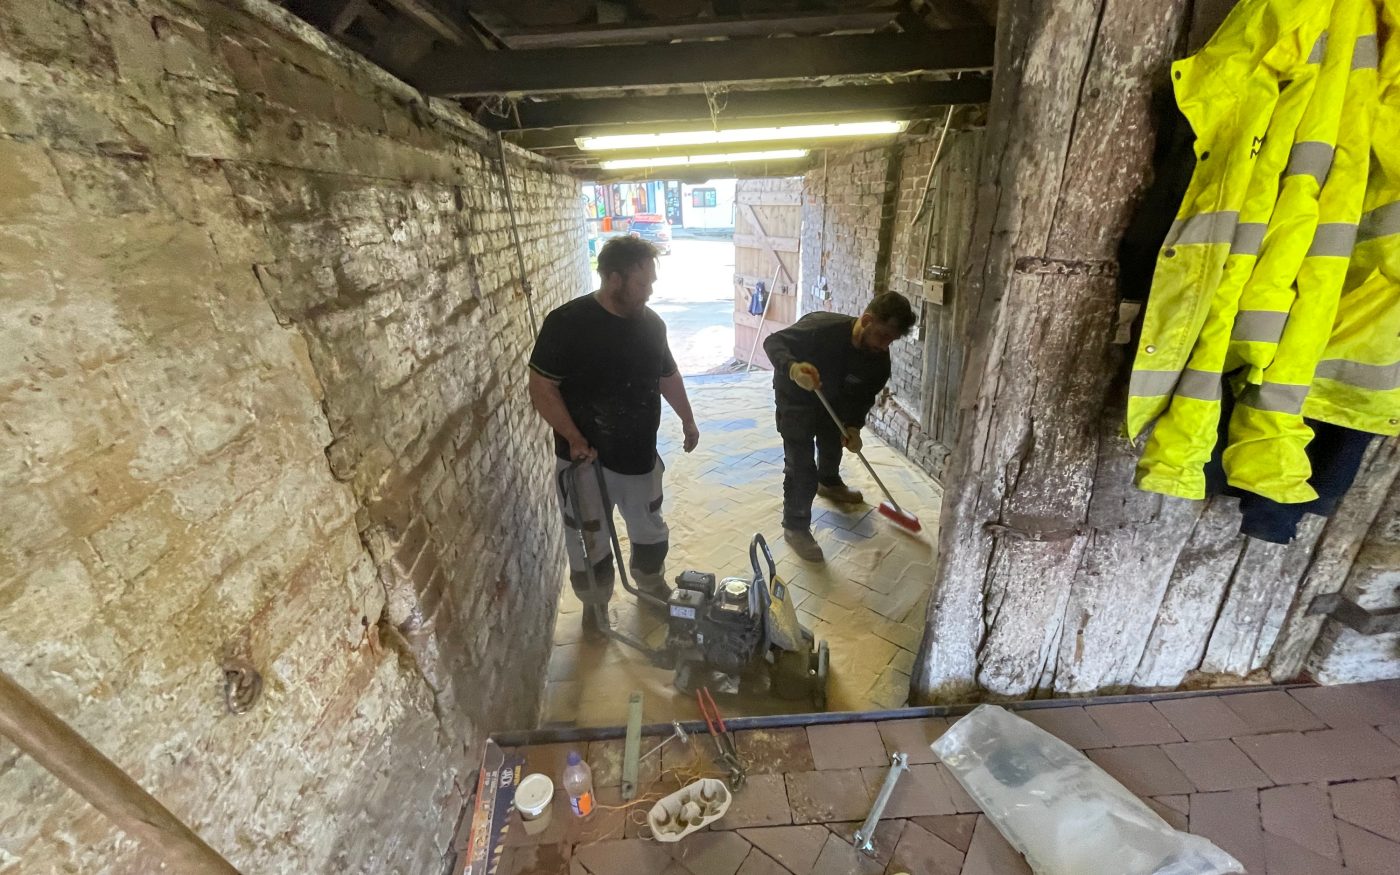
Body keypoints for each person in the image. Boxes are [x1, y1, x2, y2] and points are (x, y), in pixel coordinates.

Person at [528, 236, 700, 640]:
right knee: (588, 535)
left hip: (638, 453)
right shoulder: (567, 324)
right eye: (643, 283)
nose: (650, 291)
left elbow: (666, 376)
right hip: (583, 458)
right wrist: (573, 437)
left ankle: (650, 581)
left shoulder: (652, 324)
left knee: (649, 525)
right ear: (613, 278)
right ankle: (595, 602)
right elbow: (542, 388)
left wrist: (688, 421)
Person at [762, 292, 917, 562]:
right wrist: (794, 368)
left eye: (890, 340)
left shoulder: (878, 361)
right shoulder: (821, 329)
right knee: (801, 466)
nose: (884, 346)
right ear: (866, 320)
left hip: (833, 400)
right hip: (796, 397)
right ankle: (795, 527)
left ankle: (829, 482)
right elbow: (773, 342)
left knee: (834, 439)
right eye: (882, 336)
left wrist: (854, 427)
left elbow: (864, 397)